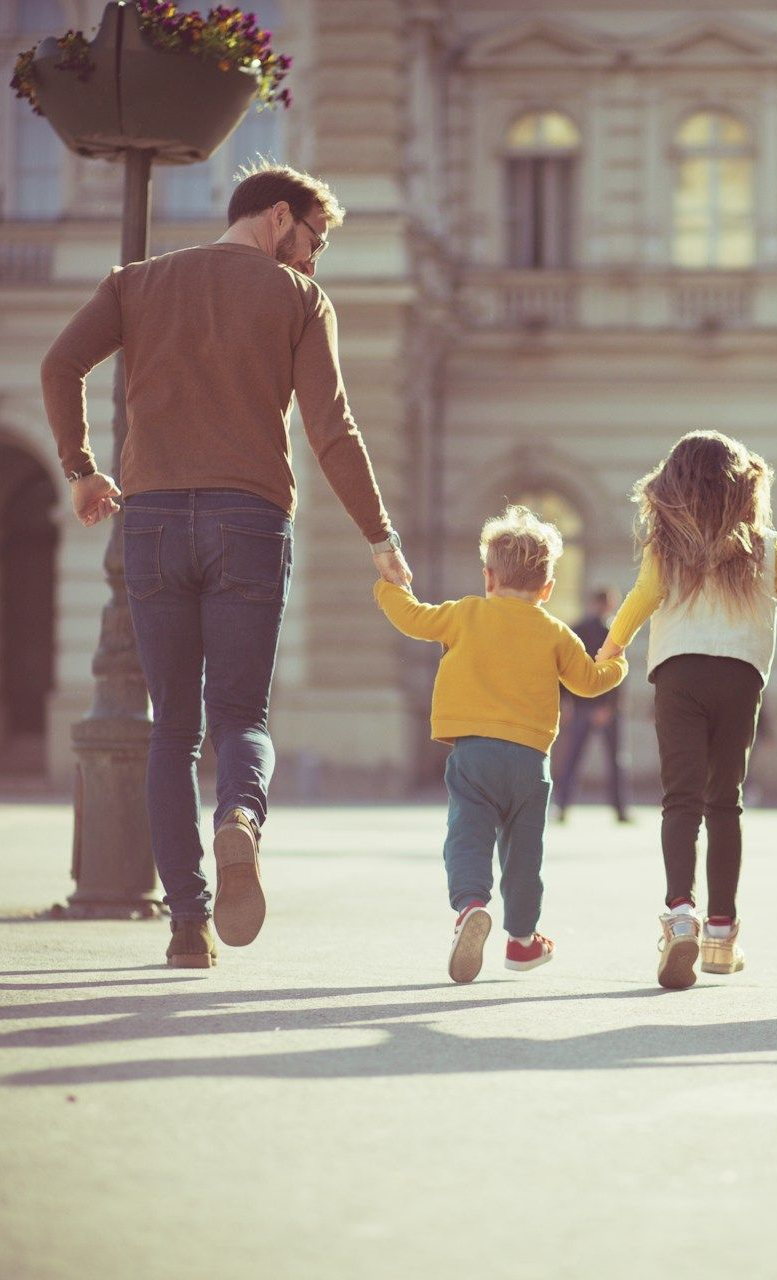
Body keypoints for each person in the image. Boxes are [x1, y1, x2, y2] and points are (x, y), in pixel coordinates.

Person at [40, 163, 412, 970]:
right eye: (313, 240)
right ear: (280, 218)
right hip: (249, 521)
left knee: (172, 730)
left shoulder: (136, 283)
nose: (315, 260)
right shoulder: (298, 299)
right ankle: (240, 819)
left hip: (154, 523)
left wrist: (81, 470)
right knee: (241, 717)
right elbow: (333, 430)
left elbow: (59, 365)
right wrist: (379, 536)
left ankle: (187, 926)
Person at [597, 432, 777, 990]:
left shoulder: (665, 544)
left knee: (680, 800)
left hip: (678, 676)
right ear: (744, 487)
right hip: (739, 678)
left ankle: (680, 915)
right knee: (725, 804)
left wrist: (612, 648)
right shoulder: (765, 545)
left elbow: (640, 600)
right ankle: (720, 935)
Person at [374, 505, 627, 983]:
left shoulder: (465, 613)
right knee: (524, 854)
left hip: (474, 755)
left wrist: (388, 587)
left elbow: (412, 618)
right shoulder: (556, 631)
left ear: (488, 577)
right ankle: (523, 941)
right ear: (547, 589)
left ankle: (471, 906)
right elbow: (590, 682)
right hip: (531, 764)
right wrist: (617, 663)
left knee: (467, 836)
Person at [555, 587, 630, 823]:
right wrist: (609, 706)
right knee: (615, 761)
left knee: (573, 759)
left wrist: (565, 703)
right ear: (607, 605)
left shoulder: (574, 630)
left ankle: (563, 807)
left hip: (581, 706)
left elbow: (562, 670)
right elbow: (618, 674)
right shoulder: (612, 633)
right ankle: (620, 811)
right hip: (603, 708)